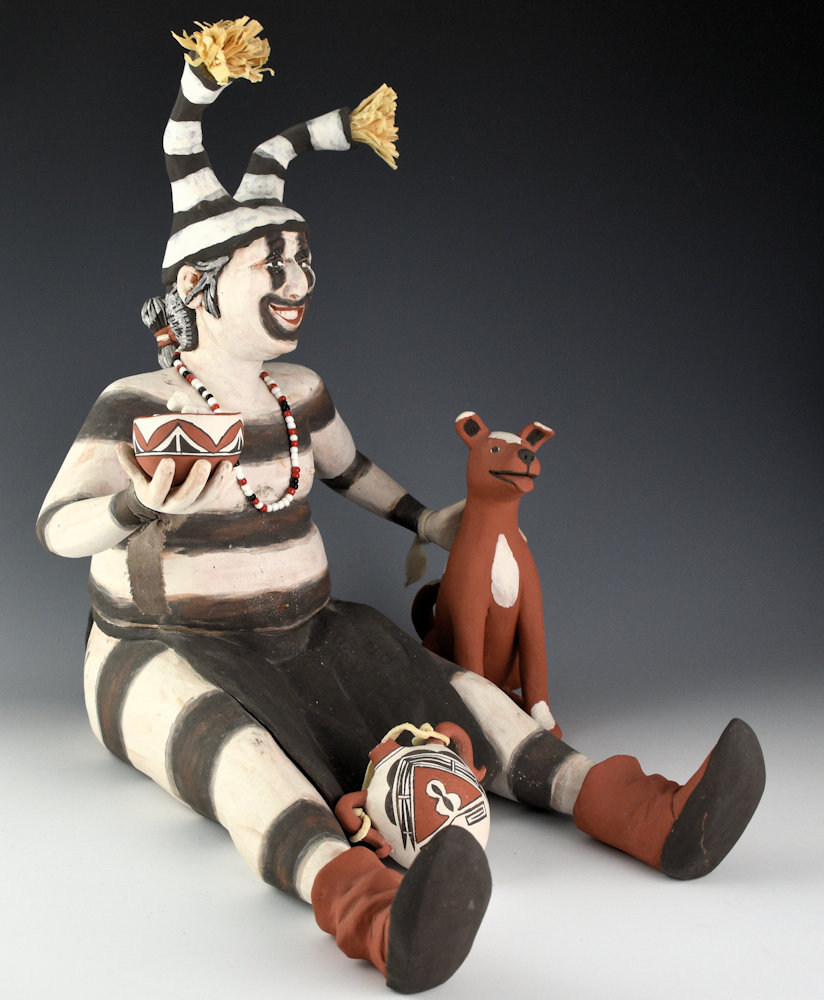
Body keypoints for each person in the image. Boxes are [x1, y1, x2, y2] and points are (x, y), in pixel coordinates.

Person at [38, 19, 764, 994]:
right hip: (160, 645)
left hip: (310, 628)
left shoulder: (299, 393)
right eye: (272, 263)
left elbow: (352, 472)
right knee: (239, 754)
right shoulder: (138, 404)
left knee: (446, 689)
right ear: (199, 288)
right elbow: (59, 527)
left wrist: (427, 521)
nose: (299, 280)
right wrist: (135, 500)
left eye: (303, 257)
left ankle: (642, 810)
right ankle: (374, 914)